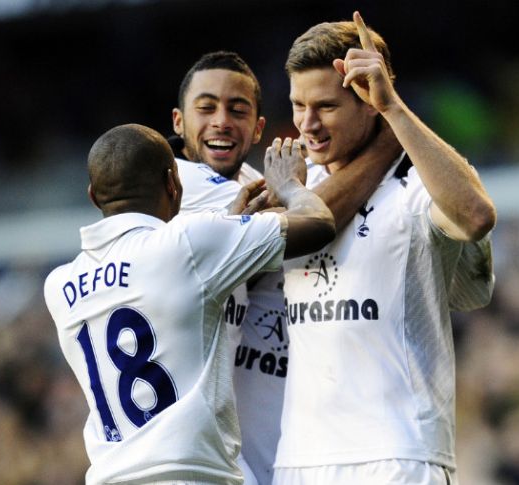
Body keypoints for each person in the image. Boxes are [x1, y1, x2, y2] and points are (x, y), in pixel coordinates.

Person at [274, 12, 497, 485]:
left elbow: (476, 217)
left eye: (325, 107)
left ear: (368, 100)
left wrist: (395, 107)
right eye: (298, 105)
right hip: (299, 461)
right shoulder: (296, 188)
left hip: (397, 455)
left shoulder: (415, 187)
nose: (306, 124)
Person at [43, 123, 335, 485]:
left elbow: (152, 281)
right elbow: (319, 223)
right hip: (190, 475)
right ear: (173, 183)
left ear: (93, 195)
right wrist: (290, 184)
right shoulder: (188, 244)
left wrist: (225, 227)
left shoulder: (58, 285)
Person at [168, 51, 404, 485]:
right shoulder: (185, 193)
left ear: (259, 128)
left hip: (275, 454)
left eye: (237, 110)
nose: (221, 120)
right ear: (178, 122)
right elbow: (318, 220)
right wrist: (389, 139)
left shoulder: (251, 187)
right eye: (206, 107)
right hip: (209, 463)